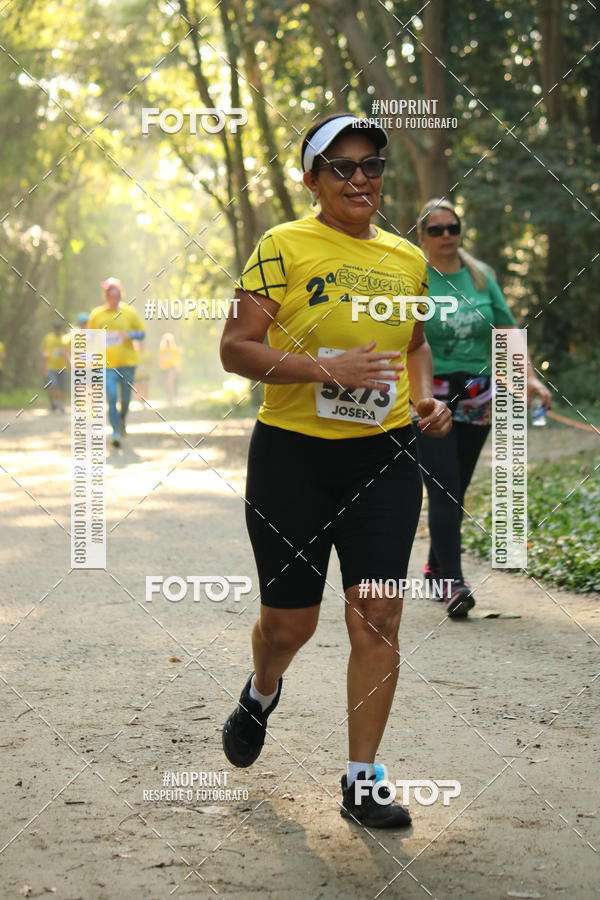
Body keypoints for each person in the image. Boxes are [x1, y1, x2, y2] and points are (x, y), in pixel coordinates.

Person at [219, 113, 451, 829]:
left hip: (383, 458)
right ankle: (262, 689)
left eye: (371, 166)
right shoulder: (281, 246)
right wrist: (326, 368)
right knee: (291, 626)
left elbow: (413, 343)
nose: (359, 179)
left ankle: (361, 782)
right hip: (292, 456)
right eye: (341, 166)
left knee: (378, 615)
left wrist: (424, 396)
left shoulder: (408, 259)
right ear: (312, 178)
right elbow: (235, 347)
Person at [415, 198, 552, 616]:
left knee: (457, 486)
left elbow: (507, 330)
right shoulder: (412, 274)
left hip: (478, 394)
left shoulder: (480, 275)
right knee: (444, 489)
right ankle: (454, 584)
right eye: (436, 230)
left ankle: (436, 566)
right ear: (422, 235)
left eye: (452, 227)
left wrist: (528, 376)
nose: (446, 236)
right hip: (428, 396)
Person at [87, 278, 145, 448]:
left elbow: (142, 333)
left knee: (126, 398)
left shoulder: (129, 312)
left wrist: (130, 335)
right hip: (106, 365)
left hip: (127, 363)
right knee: (112, 396)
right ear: (106, 297)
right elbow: (90, 338)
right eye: (111, 296)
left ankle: (122, 421)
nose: (115, 299)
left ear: (121, 296)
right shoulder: (96, 315)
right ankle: (115, 432)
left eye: (117, 296)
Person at [41, 321, 68, 412]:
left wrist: (66, 354)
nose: (57, 330)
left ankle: (62, 405)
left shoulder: (65, 338)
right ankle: (55, 402)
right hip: (51, 366)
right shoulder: (48, 338)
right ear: (53, 329)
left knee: (63, 387)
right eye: (56, 328)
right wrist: (44, 363)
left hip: (63, 367)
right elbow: (44, 350)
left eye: (59, 329)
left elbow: (70, 351)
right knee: (53, 384)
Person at [158, 333, 183, 403]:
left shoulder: (174, 350)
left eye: (169, 341)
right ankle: (167, 395)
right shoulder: (162, 350)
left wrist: (180, 367)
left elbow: (178, 360)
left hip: (172, 367)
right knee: (166, 383)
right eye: (166, 341)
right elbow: (160, 359)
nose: (168, 343)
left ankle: (170, 396)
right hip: (164, 368)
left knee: (170, 381)